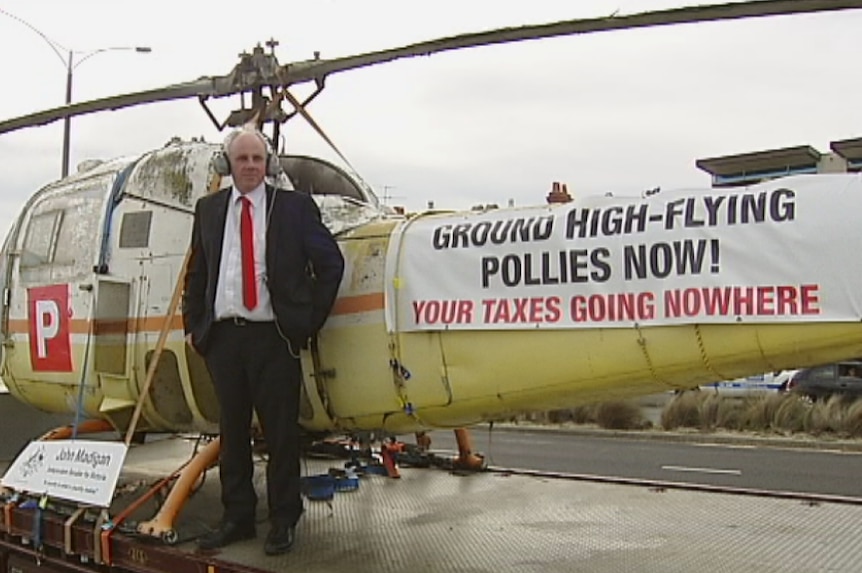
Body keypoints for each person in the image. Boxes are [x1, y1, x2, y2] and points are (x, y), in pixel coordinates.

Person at [182, 126, 345, 555]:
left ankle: (283, 519)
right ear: (229, 165)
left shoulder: (292, 208)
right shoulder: (209, 209)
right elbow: (197, 274)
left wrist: (308, 322)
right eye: (242, 159)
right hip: (223, 340)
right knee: (232, 435)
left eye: (257, 159)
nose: (251, 166)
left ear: (268, 164)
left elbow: (331, 263)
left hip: (274, 338)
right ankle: (237, 517)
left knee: (281, 435)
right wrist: (195, 326)